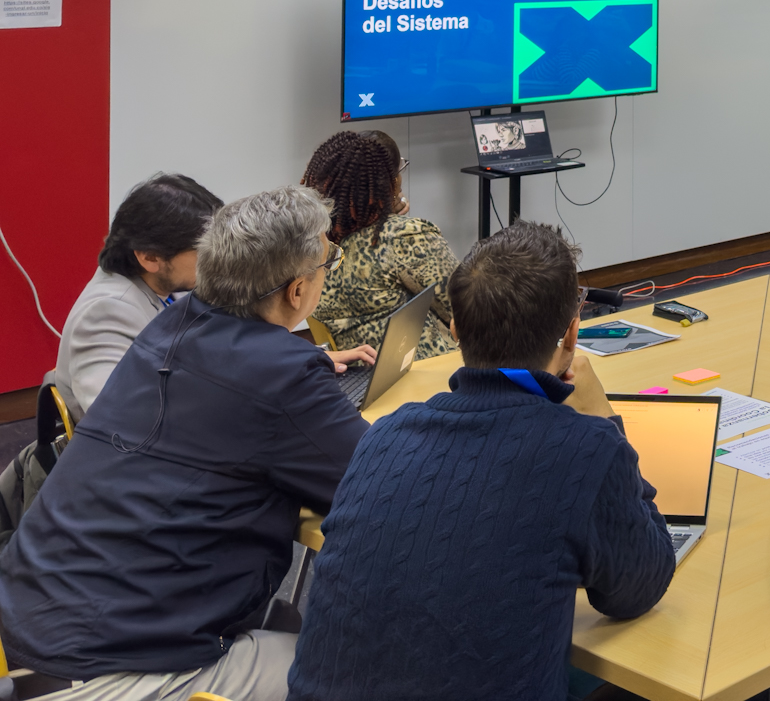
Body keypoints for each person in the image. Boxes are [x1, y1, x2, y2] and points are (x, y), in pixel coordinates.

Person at [0, 186, 374, 700]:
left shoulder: (169, 326)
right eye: (328, 261)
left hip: (31, 626)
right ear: (297, 291)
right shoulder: (282, 374)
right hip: (109, 671)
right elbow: (378, 485)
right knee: (363, 665)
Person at [287, 222, 673, 701]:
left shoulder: (383, 435)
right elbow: (642, 585)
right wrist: (604, 416)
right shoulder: (588, 448)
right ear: (572, 334)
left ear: (453, 329)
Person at [47, 173, 222, 417]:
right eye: (204, 251)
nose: (214, 261)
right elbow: (120, 420)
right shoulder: (106, 314)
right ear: (150, 257)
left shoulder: (165, 286)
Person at [303, 130, 459, 361]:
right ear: (391, 181)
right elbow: (465, 311)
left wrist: (386, 211)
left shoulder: (311, 245)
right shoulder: (407, 237)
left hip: (358, 375)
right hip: (423, 373)